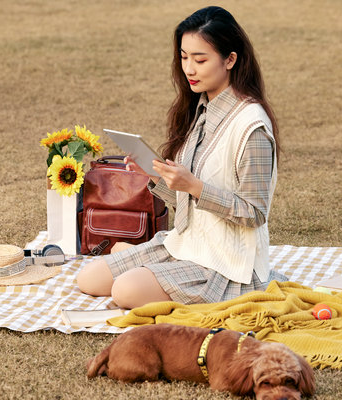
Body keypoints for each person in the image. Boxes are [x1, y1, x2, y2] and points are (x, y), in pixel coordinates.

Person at [77, 6, 287, 309]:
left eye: (200, 60)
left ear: (230, 59)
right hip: (186, 245)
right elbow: (188, 204)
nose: (189, 68)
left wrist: (194, 186)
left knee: (125, 292)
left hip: (227, 264)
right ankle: (138, 259)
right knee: (88, 280)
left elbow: (255, 212)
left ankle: (136, 261)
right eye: (184, 57)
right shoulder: (199, 110)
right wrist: (155, 176)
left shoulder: (251, 127)